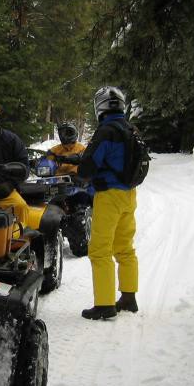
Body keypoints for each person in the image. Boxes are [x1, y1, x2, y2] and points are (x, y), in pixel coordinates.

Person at [76, 86, 139, 320]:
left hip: (109, 196)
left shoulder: (106, 131)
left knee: (100, 250)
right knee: (125, 247)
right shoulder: (130, 129)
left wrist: (81, 172)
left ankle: (104, 305)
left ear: (100, 107)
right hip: (129, 195)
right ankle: (129, 297)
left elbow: (87, 167)